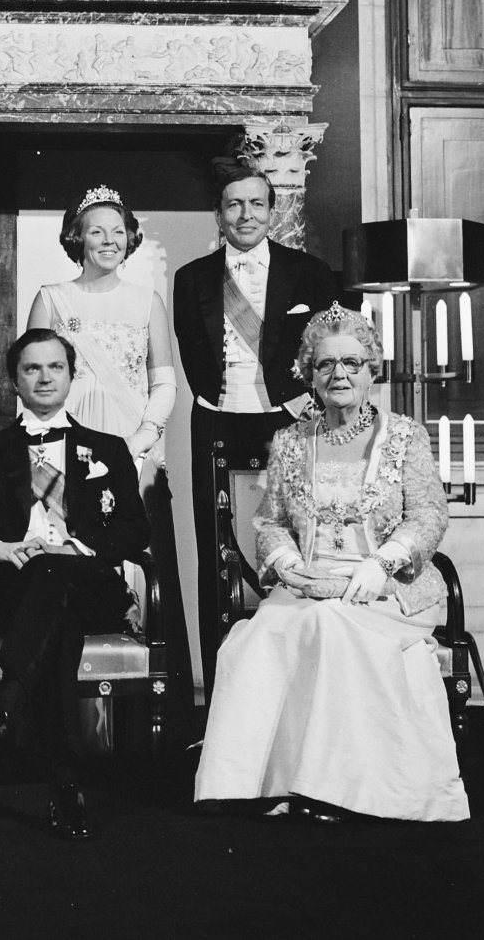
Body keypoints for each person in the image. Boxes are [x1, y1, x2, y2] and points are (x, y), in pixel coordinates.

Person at [195, 304, 469, 822]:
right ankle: (267, 784)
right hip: (307, 584)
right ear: (310, 373)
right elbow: (270, 521)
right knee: (251, 643)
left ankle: (335, 790)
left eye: (351, 363)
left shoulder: (406, 437)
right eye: (325, 365)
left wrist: (384, 562)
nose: (339, 374)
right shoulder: (291, 441)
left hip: (387, 590)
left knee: (331, 628)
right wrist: (285, 560)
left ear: (372, 369)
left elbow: (430, 514)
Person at [0, 329, 150, 839]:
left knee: (55, 573)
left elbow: (137, 528)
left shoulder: (108, 449)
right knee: (57, 617)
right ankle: (64, 777)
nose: (45, 377)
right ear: (15, 380)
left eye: (55, 367)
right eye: (32, 369)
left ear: (71, 376)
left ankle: (5, 706)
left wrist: (79, 549)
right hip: (14, 590)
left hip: (88, 584)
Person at [26, 184, 190, 723]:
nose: (108, 241)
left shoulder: (147, 301)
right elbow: (36, 382)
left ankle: (140, 728)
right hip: (65, 447)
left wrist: (135, 446)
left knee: (133, 560)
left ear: (131, 238)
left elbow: (164, 385)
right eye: (96, 230)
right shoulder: (52, 297)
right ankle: (65, 720)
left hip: (131, 446)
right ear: (77, 237)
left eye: (118, 231)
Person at [172, 165, 336, 695]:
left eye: (256, 204)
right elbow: (192, 355)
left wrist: (297, 405)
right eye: (234, 205)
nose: (246, 215)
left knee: (297, 542)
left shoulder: (309, 272)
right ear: (219, 215)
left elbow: (331, 346)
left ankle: (294, 688)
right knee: (218, 550)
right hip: (217, 421)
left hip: (287, 422)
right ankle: (223, 693)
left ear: (273, 211)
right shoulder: (192, 278)